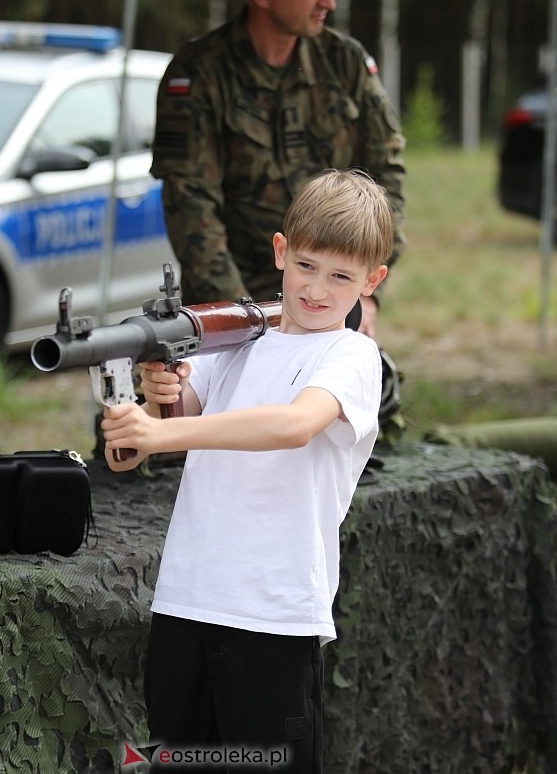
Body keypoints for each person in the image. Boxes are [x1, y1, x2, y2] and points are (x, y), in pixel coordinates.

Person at [101, 169, 391, 773]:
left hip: (273, 612)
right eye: (307, 265)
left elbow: (291, 425)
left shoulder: (352, 354)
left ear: (372, 281)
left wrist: (161, 431)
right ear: (281, 251)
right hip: (187, 596)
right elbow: (174, 424)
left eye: (341, 277)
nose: (317, 289)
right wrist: (161, 393)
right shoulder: (238, 339)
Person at [151, 0, 406, 339]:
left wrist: (363, 291)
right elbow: (191, 208)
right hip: (230, 302)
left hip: (329, 298)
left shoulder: (344, 63)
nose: (328, 2)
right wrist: (245, 319)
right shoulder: (201, 72)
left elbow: (388, 179)